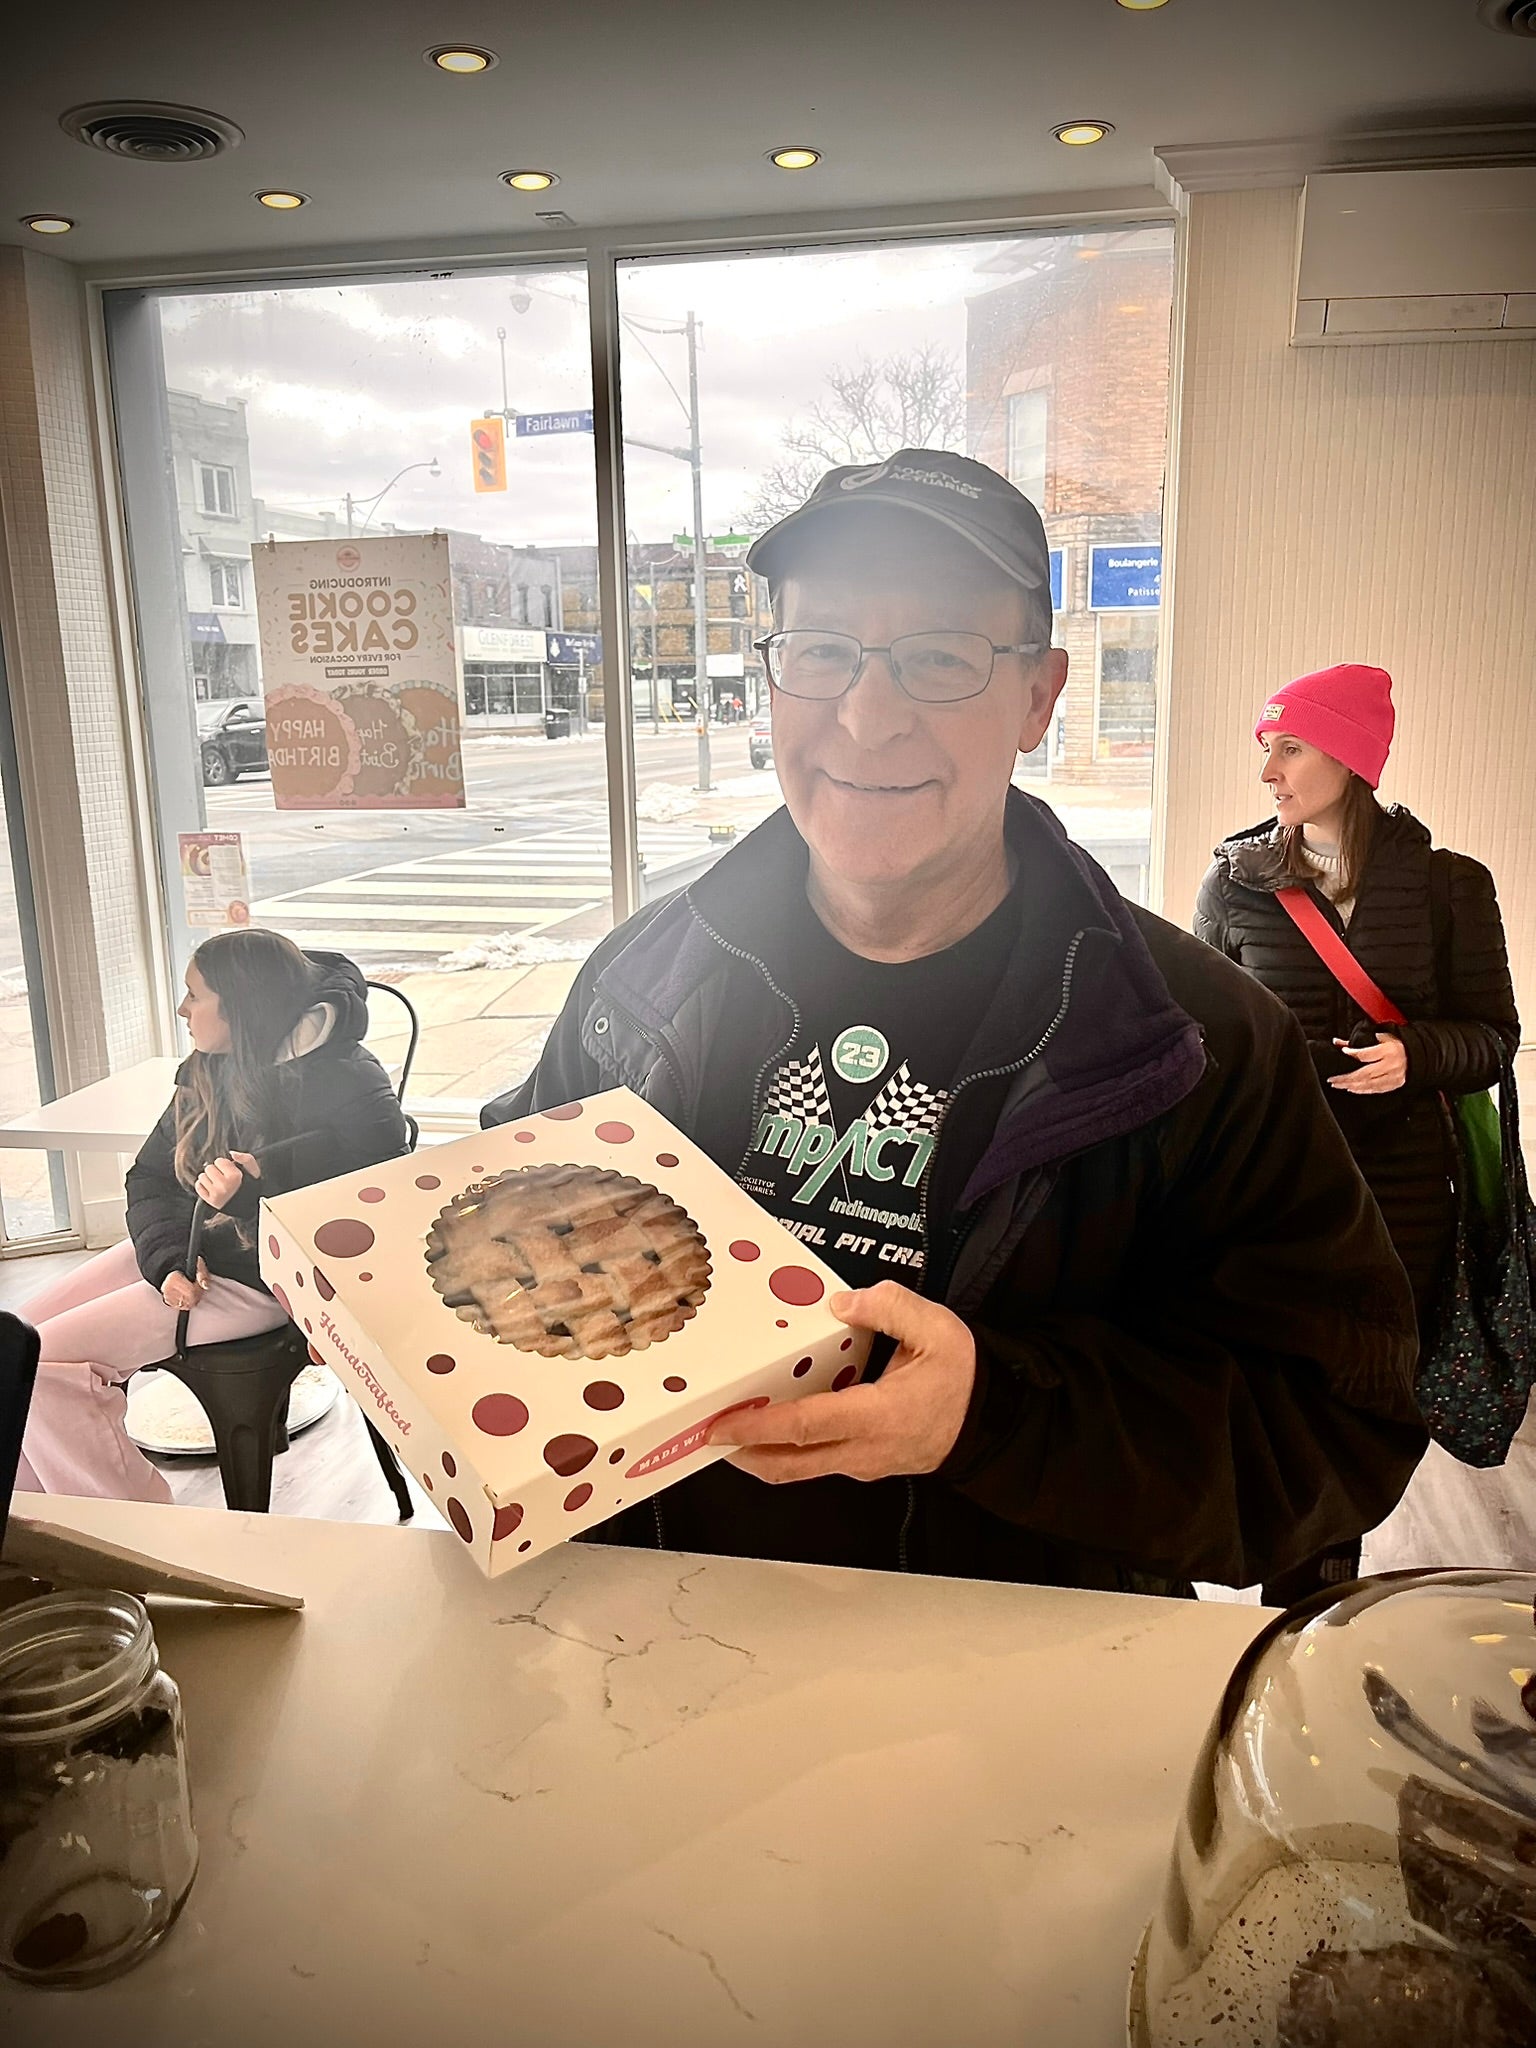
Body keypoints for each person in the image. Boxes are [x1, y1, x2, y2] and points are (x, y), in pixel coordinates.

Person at [484, 451, 1425, 1595]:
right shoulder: (641, 983)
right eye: (820, 649)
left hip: (1012, 1676)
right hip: (645, 1632)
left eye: (939, 657)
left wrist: (994, 1414)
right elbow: (513, 1256)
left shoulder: (1195, 1042)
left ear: (1038, 696)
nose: (866, 716)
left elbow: (1332, 1429)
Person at [1195, 664, 1519, 1593]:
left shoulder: (1450, 886)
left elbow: (1495, 1038)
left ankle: (1323, 1587)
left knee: (1372, 1390)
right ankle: (1274, 1564)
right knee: (1282, 1385)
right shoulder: (1236, 886)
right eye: (1267, 748)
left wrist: (1416, 1054)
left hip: (1405, 1196)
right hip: (1276, 1183)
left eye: (1291, 747)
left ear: (1351, 758)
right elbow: (1198, 1036)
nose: (1269, 771)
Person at [16, 931, 410, 1503]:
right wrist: (167, 1259)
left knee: (42, 1367)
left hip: (270, 1280)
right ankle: (36, 1518)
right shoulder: (209, 1066)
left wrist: (251, 1199)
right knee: (14, 1340)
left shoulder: (349, 1082)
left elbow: (371, 1222)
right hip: (199, 1251)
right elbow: (150, 1177)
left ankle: (133, 1534)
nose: (183, 1009)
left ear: (241, 1006)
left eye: (195, 995)